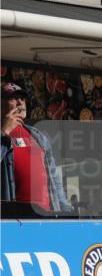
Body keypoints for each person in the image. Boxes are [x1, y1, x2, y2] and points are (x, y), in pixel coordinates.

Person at [1, 82, 70, 212]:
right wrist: (4, 131)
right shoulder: (2, 134)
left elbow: (55, 179)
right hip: (14, 217)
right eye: (13, 98)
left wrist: (65, 210)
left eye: (22, 99)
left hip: (46, 214)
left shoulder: (39, 136)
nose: (20, 103)